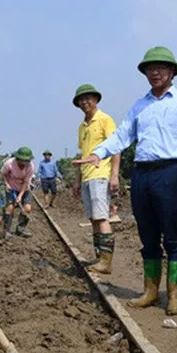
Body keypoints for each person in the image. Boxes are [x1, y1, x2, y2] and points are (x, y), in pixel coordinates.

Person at [75, 47, 177, 315]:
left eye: (161, 68)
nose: (155, 72)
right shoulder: (139, 105)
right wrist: (98, 153)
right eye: (150, 69)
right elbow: (122, 136)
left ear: (171, 72)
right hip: (141, 175)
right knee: (147, 234)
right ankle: (149, 291)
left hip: (170, 172)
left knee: (173, 235)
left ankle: (174, 294)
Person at [71, 83, 120, 274]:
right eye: (81, 100)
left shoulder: (105, 120)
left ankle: (106, 263)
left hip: (100, 175)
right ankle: (99, 258)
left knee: (101, 218)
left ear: (96, 100)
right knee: (93, 218)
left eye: (88, 98)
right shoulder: (82, 127)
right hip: (87, 177)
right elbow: (82, 154)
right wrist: (77, 180)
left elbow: (115, 148)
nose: (85, 102)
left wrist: (114, 175)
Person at [0, 147, 35, 238]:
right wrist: (6, 184)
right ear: (18, 158)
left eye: (26, 160)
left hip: (24, 189)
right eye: (23, 160)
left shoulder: (30, 166)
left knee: (27, 208)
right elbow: (3, 174)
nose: (24, 163)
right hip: (11, 188)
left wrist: (20, 196)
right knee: (10, 208)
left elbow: (26, 182)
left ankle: (20, 229)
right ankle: (6, 231)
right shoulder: (9, 163)